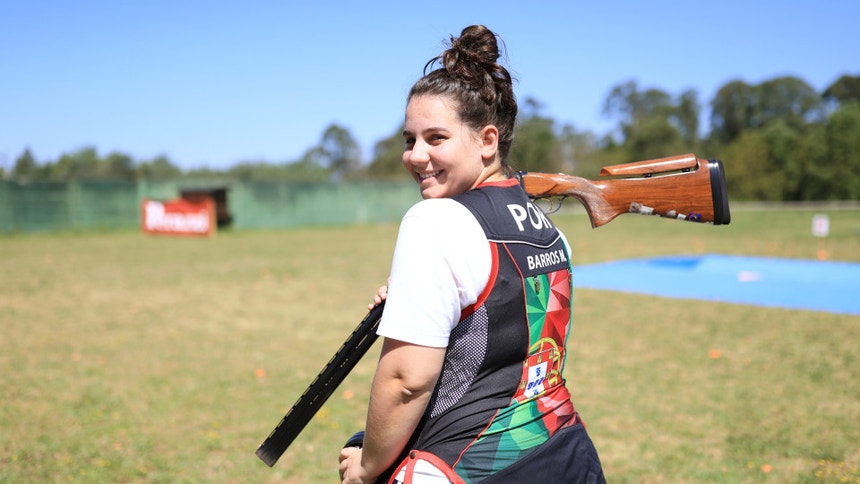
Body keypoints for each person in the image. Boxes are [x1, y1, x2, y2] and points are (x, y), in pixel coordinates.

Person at [338, 25, 605, 484]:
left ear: (486, 141)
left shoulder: (435, 221)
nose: (415, 155)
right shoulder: (551, 230)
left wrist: (366, 469)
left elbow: (406, 381)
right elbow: (507, 333)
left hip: (468, 466)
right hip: (567, 453)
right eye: (409, 139)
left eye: (435, 138)